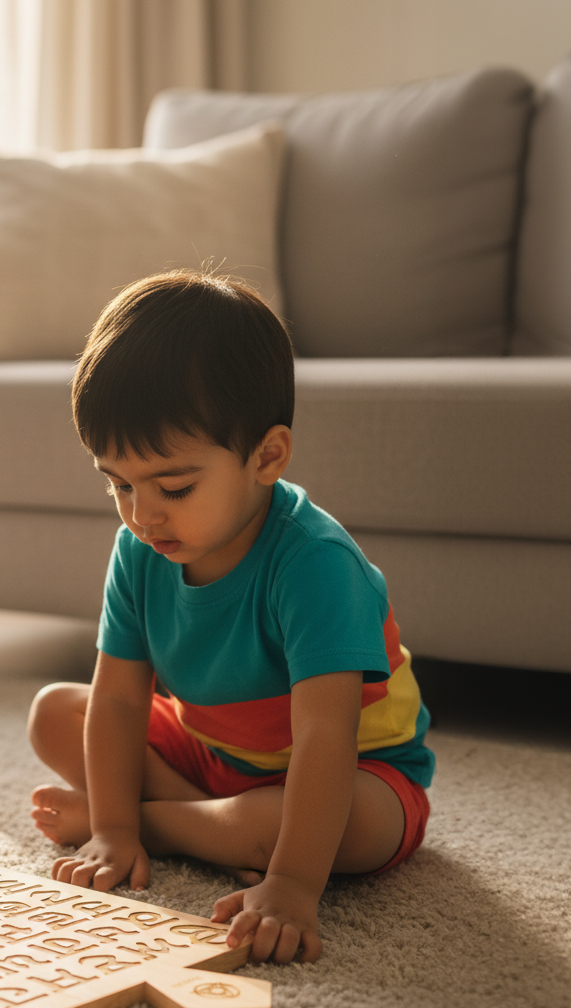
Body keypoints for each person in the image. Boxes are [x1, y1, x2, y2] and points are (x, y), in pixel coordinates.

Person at [27, 270, 433, 964]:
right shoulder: (141, 548)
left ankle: (181, 826)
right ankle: (188, 823)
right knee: (55, 713)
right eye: (119, 484)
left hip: (355, 768)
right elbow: (122, 701)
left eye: (174, 486)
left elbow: (325, 737)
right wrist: (113, 833)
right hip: (214, 752)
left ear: (267, 456)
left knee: (318, 830)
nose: (142, 514)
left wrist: (294, 886)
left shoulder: (316, 564)